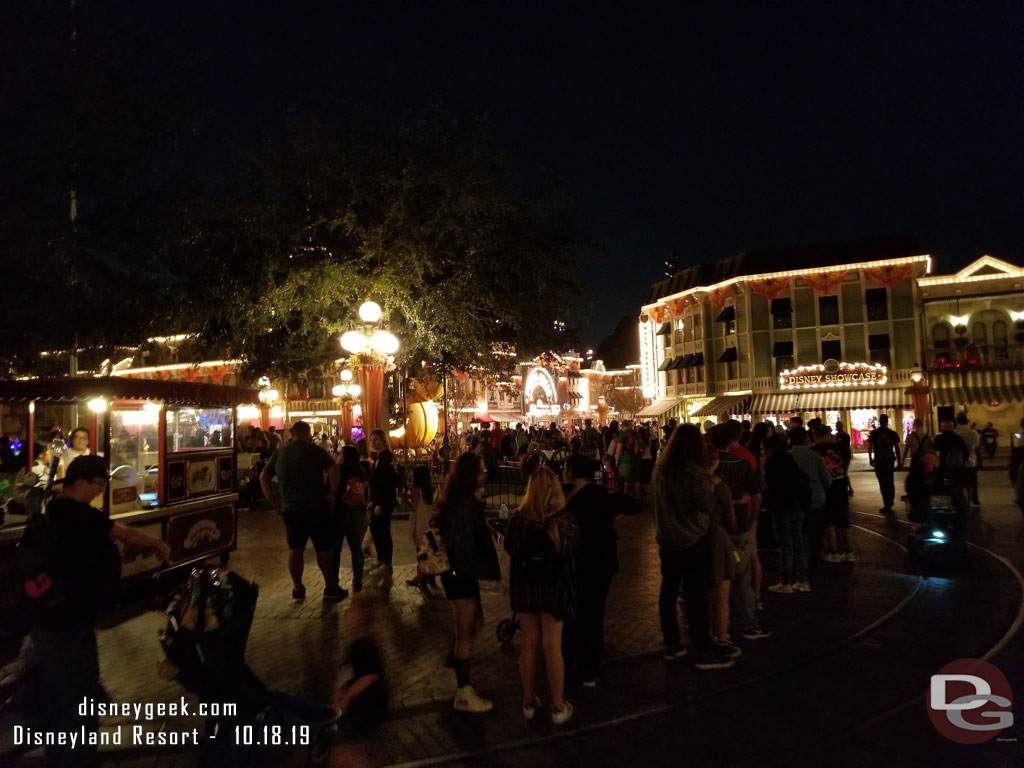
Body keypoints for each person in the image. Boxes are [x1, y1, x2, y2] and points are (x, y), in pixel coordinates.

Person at [31, 455, 170, 768]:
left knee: (63, 694)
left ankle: (64, 753)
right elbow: (122, 532)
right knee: (76, 697)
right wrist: (157, 544)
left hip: (49, 619)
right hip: (69, 623)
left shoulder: (51, 512)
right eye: (97, 484)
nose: (99, 490)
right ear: (81, 482)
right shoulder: (77, 515)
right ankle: (75, 758)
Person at [651, 424, 734, 670]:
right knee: (696, 596)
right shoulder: (693, 473)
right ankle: (702, 649)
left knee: (668, 592)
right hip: (691, 541)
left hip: (666, 541)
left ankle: (672, 643)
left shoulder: (659, 470)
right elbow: (706, 506)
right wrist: (717, 487)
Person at [505, 466, 579, 724]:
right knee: (552, 647)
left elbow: (510, 548)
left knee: (528, 645)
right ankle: (558, 706)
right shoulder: (564, 522)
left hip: (526, 589)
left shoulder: (518, 520)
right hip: (554, 590)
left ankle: (528, 701)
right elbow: (571, 552)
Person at [435, 452, 501, 712]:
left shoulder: (461, 501)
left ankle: (454, 659)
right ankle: (463, 692)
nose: (485, 473)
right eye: (481, 469)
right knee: (466, 632)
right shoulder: (464, 505)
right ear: (470, 474)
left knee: (474, 622)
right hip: (460, 574)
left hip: (461, 574)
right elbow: (461, 543)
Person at [260, 420, 344, 602]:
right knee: (323, 548)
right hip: (316, 506)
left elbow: (263, 478)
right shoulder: (315, 451)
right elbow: (334, 469)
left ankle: (297, 588)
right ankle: (330, 588)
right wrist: (332, 493)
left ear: (291, 433)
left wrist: (274, 502)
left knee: (295, 548)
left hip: (291, 507)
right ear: (307, 434)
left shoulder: (280, 452)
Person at [561, 455, 618, 687]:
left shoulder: (568, 497)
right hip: (603, 561)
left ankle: (584, 666)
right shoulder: (600, 493)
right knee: (594, 612)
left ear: (572, 471)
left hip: (584, 561)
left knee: (583, 613)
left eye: (565, 467)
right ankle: (590, 664)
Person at [709, 425, 767, 643]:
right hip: (741, 524)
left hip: (716, 528)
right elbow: (757, 493)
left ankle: (716, 629)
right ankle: (750, 624)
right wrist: (752, 518)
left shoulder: (709, 466)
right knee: (743, 576)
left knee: (716, 578)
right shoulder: (743, 463)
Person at [762, 435, 809, 594]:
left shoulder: (772, 464)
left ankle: (785, 582)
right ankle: (802, 581)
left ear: (770, 450)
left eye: (764, 450)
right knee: (798, 544)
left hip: (781, 507)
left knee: (785, 546)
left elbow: (769, 487)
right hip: (797, 506)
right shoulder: (790, 459)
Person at [787, 426, 832, 578]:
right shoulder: (814, 456)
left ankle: (798, 563)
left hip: (795, 499)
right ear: (806, 438)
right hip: (815, 497)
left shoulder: (787, 456)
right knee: (815, 533)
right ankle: (814, 563)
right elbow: (826, 479)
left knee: (796, 532)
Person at [812, 425, 854, 561]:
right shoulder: (840, 449)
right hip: (841, 484)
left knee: (829, 520)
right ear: (829, 434)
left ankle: (833, 551)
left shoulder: (814, 451)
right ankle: (848, 551)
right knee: (843, 517)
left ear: (816, 436)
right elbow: (846, 465)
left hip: (825, 487)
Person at [335, 446, 369, 593]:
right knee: (356, 548)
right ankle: (357, 581)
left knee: (336, 548)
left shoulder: (339, 470)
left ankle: (333, 581)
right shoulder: (361, 471)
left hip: (341, 510)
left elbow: (334, 491)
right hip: (359, 511)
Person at [367, 449, 398, 577]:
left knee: (383, 531)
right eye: (372, 440)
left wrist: (379, 503)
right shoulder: (377, 461)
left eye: (377, 440)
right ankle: (381, 559)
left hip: (383, 502)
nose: (374, 443)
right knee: (374, 528)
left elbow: (385, 485)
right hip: (376, 501)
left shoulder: (386, 464)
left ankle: (387, 563)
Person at [406, 465, 437, 588]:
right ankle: (431, 576)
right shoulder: (428, 489)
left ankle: (421, 576)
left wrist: (407, 498)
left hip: (419, 520)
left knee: (420, 550)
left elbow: (414, 506)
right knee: (430, 549)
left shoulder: (416, 490)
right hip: (429, 520)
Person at [866, 414, 901, 515]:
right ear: (887, 422)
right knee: (890, 481)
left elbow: (870, 446)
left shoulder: (874, 433)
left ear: (880, 422)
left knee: (882, 482)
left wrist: (870, 458)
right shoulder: (892, 433)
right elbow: (897, 448)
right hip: (889, 460)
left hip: (879, 461)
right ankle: (890, 501)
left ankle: (887, 503)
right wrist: (899, 461)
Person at [954, 413, 981, 506]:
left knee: (960, 484)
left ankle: (962, 502)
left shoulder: (954, 432)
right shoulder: (973, 432)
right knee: (971, 483)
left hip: (958, 460)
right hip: (971, 460)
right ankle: (971, 500)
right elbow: (976, 446)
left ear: (956, 420)